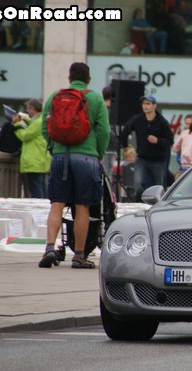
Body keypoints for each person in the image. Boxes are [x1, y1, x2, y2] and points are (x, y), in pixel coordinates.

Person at [39, 62, 110, 269]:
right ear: (88, 79)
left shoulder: (55, 97)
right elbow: (104, 131)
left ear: (69, 78)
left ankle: (50, 248)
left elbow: (45, 126)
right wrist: (98, 153)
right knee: (82, 207)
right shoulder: (95, 98)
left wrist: (54, 148)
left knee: (57, 204)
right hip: (87, 159)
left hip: (61, 156)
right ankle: (79, 256)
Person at [119, 95, 173, 200]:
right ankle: (139, 204)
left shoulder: (162, 122)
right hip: (142, 158)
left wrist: (158, 140)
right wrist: (125, 147)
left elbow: (170, 140)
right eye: (144, 104)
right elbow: (125, 131)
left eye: (148, 104)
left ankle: (159, 207)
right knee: (138, 184)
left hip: (159, 160)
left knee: (159, 187)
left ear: (154, 106)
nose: (145, 106)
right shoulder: (138, 119)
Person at [12, 98, 51, 198]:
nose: (27, 111)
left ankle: (40, 209)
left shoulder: (38, 122)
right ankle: (45, 209)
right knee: (41, 187)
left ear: (33, 109)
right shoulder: (41, 120)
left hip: (34, 161)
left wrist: (16, 124)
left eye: (28, 109)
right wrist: (24, 119)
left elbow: (25, 136)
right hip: (38, 161)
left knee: (36, 189)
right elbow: (32, 125)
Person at [101, 85, 119, 186]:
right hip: (110, 147)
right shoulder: (111, 112)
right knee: (108, 174)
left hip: (101, 146)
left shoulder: (100, 109)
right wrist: (117, 142)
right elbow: (110, 130)